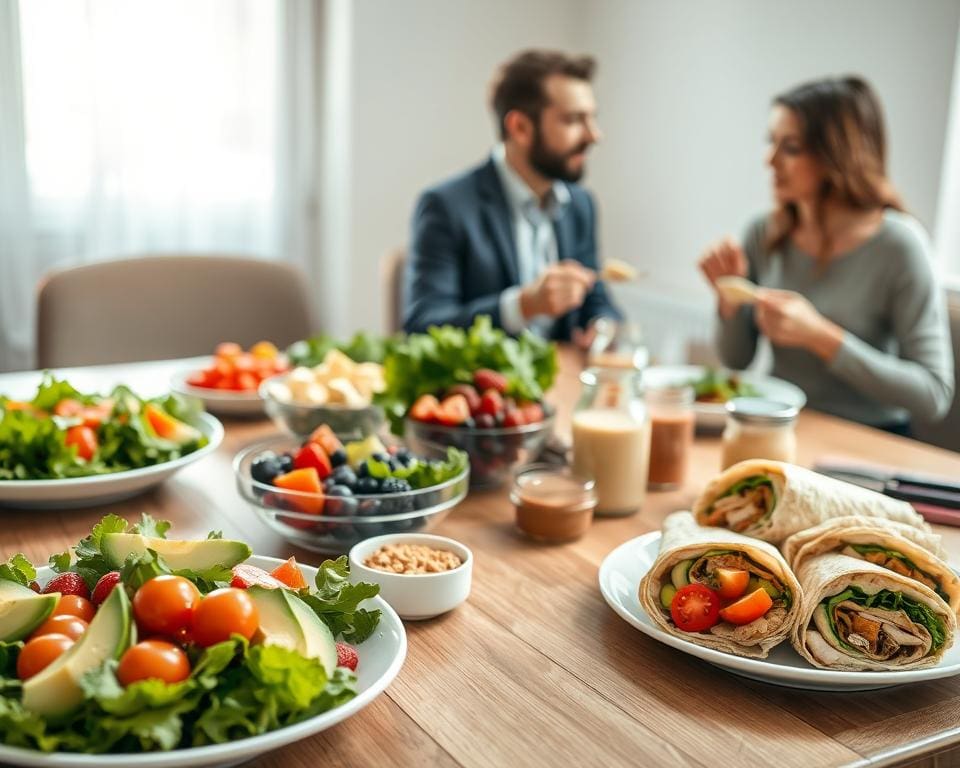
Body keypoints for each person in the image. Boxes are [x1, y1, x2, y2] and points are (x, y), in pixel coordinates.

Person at [699, 76, 953, 431]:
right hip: (781, 425)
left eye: (791, 148)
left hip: (869, 437)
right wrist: (728, 300)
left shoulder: (901, 247)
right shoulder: (762, 232)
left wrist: (820, 336)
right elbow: (736, 359)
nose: (770, 160)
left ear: (837, 156)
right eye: (771, 142)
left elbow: (934, 395)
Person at [403, 50, 622, 344]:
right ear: (520, 127)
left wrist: (602, 326)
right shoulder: (446, 206)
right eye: (573, 120)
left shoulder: (581, 205)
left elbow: (597, 300)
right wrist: (523, 305)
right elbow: (423, 326)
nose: (594, 135)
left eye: (592, 118)